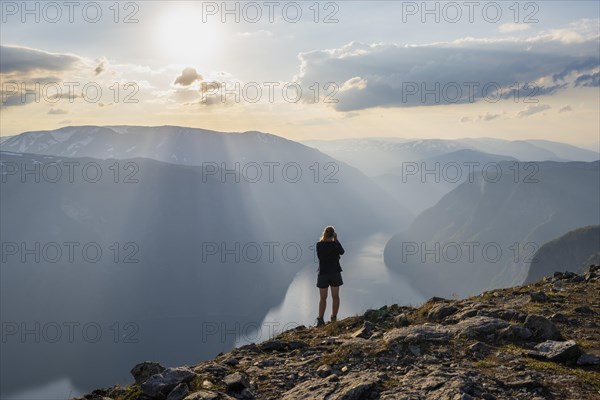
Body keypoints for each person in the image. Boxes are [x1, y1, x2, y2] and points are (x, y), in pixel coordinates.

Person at [315, 225, 345, 326]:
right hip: (335, 273)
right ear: (333, 235)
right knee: (335, 296)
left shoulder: (319, 245)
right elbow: (342, 252)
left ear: (324, 234)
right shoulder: (335, 245)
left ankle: (320, 320)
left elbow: (321, 256)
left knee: (323, 298)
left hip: (323, 274)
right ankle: (334, 318)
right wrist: (336, 240)